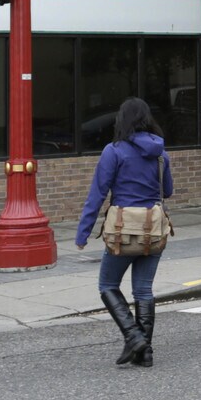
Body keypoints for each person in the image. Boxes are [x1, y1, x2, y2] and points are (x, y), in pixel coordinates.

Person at [76, 98, 174, 368]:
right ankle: (145, 351)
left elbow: (97, 194)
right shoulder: (160, 152)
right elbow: (168, 190)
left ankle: (134, 337)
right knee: (143, 289)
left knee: (107, 285)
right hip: (153, 229)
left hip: (123, 231)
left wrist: (83, 233)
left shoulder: (114, 150)